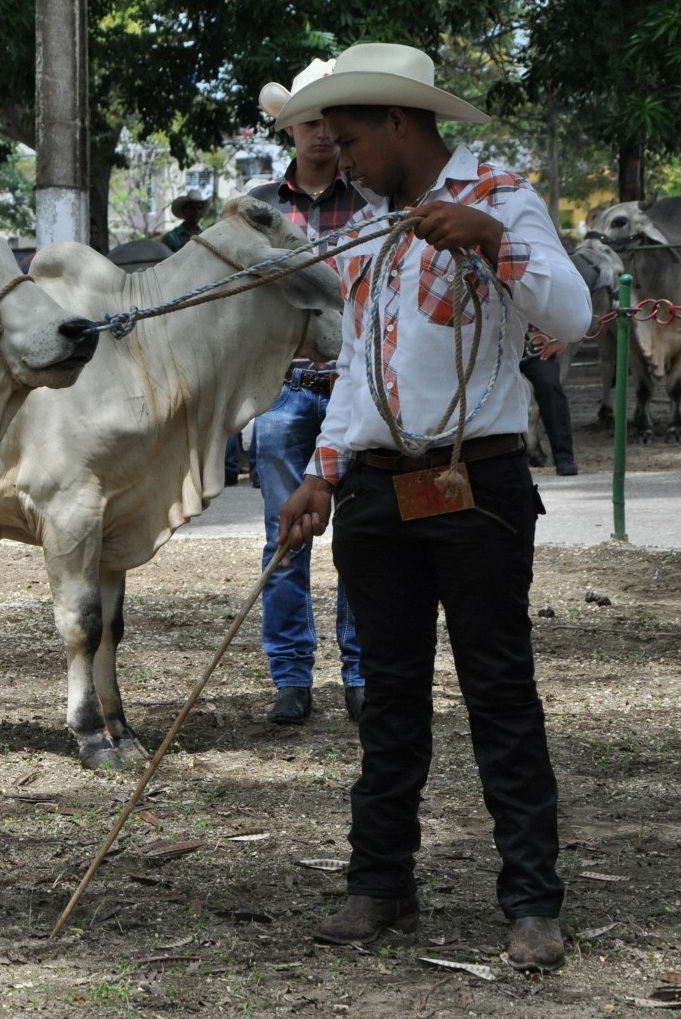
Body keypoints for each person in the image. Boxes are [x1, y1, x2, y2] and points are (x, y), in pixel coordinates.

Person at [274, 43, 591, 972]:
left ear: (399, 124)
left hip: (473, 482)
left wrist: (493, 241)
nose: (337, 159)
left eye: (348, 139)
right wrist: (323, 471)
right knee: (391, 699)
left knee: (498, 692)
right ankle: (380, 886)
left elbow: (567, 313)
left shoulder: (498, 196)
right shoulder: (370, 230)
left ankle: (532, 902)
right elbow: (361, 372)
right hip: (374, 487)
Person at [249, 58, 367, 724]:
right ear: (289, 125)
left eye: (331, 121)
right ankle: (290, 676)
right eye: (310, 121)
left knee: (360, 537)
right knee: (283, 537)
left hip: (355, 385)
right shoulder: (258, 207)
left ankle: (358, 672)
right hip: (284, 387)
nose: (321, 134)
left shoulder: (374, 199)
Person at [520, 336, 579, 475]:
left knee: (550, 385)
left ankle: (564, 457)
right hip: (498, 350)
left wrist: (563, 338)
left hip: (536, 348)